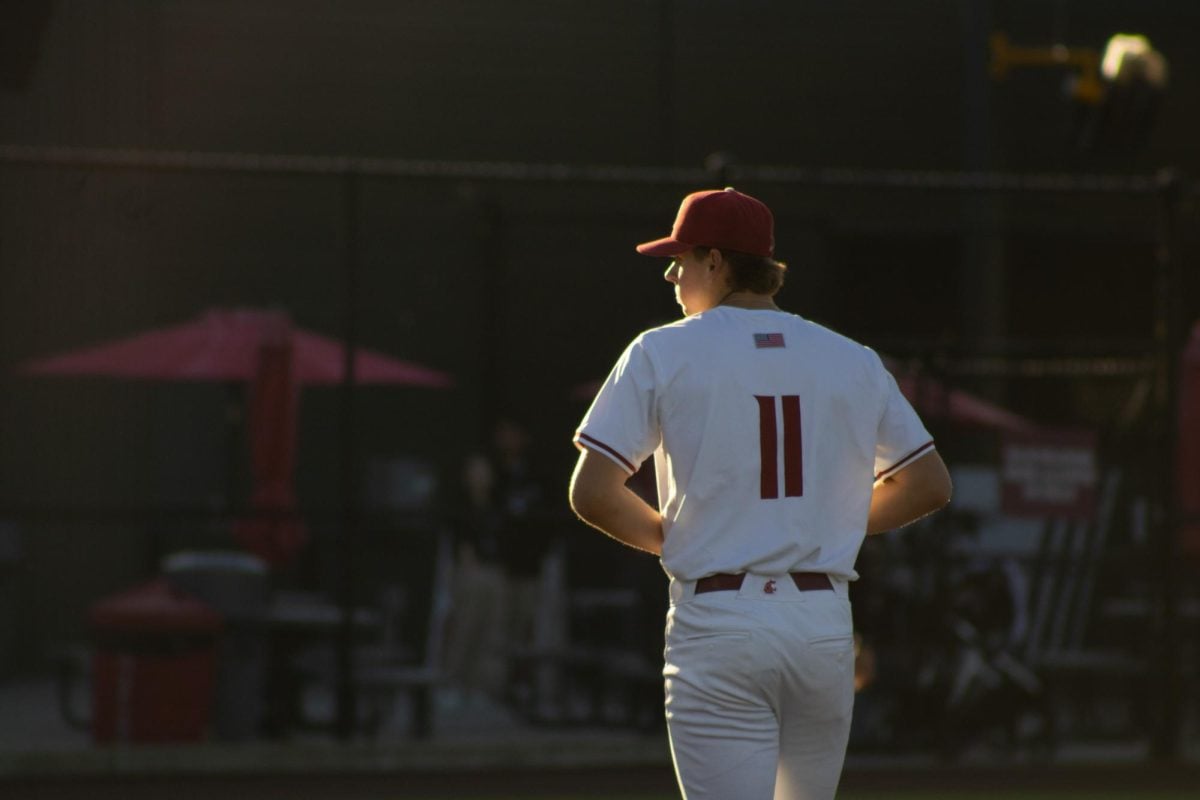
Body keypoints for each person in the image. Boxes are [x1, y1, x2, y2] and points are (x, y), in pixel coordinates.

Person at [568, 188, 952, 799]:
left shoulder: (661, 349)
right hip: (821, 621)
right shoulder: (851, 357)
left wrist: (677, 540)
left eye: (681, 258)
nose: (670, 274)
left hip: (720, 616)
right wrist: (830, 523)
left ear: (715, 261)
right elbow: (928, 484)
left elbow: (591, 492)